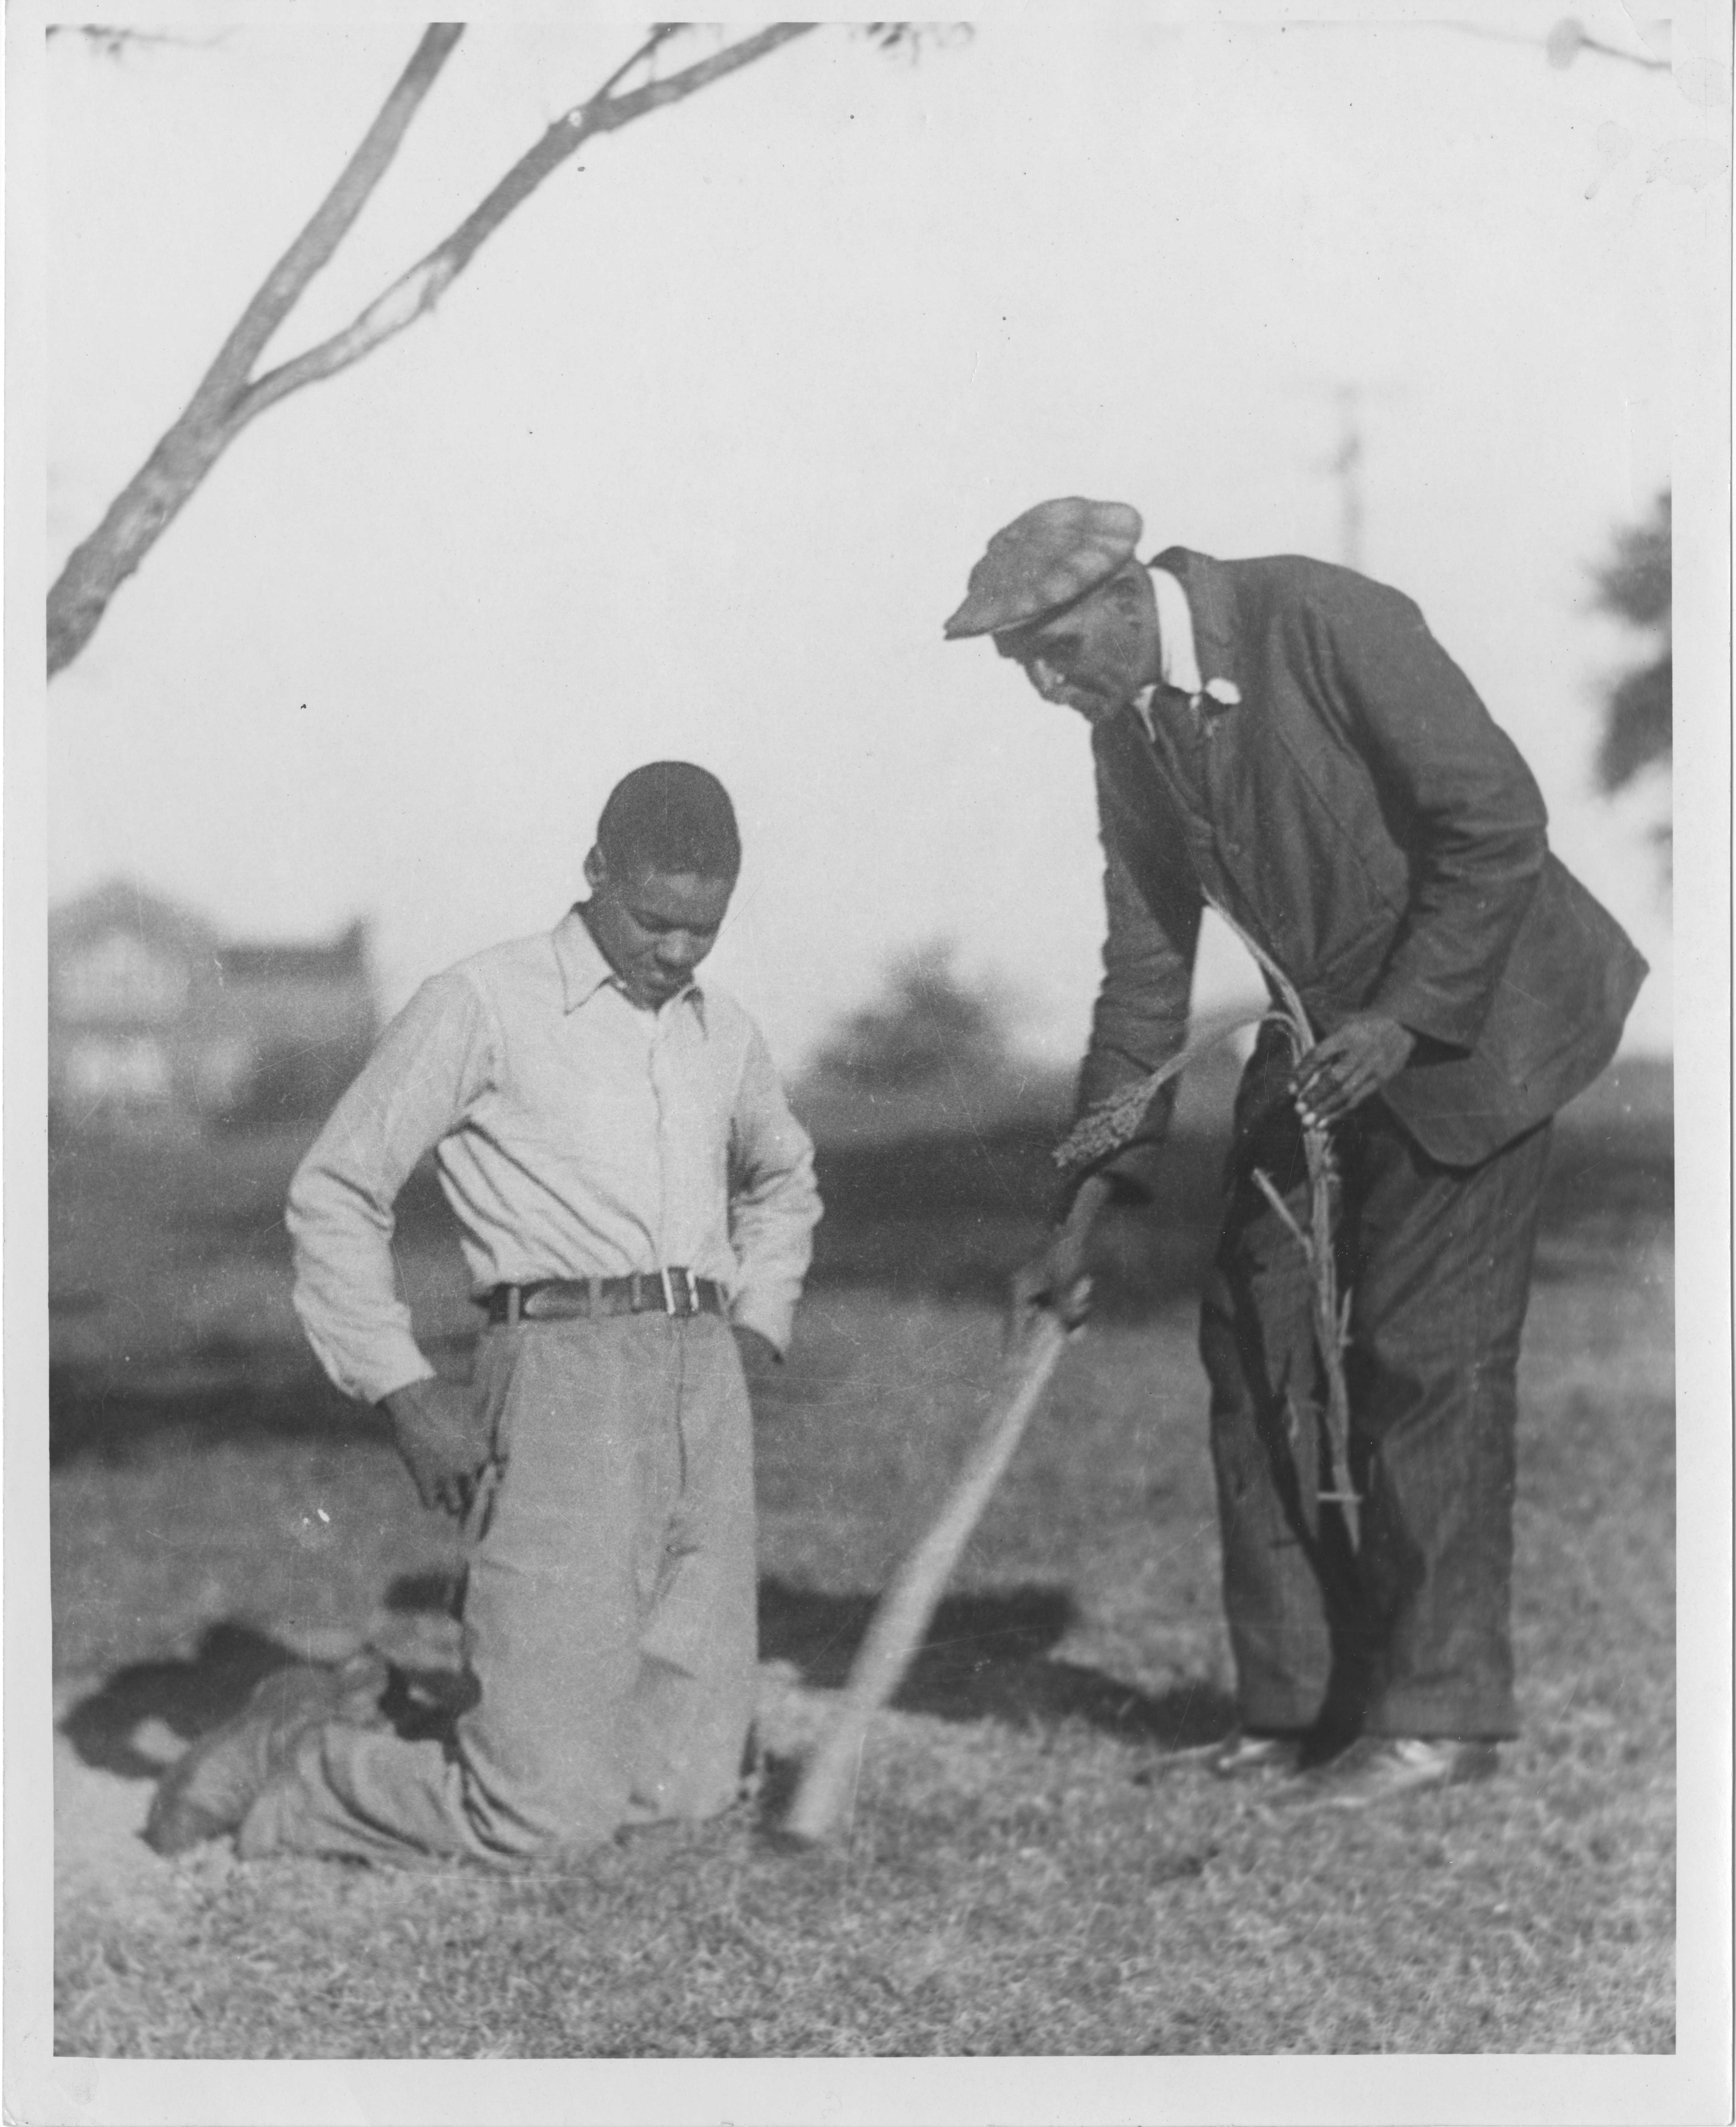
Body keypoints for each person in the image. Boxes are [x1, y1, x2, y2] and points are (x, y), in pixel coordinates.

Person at [944, 499, 1646, 1807]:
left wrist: (1401, 1020)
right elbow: (1145, 980)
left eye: (1048, 651)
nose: (1042, 686)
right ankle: (1294, 1707)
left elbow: (1495, 825)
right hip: (1320, 1036)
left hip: (1473, 1024)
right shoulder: (1124, 734)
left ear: (1113, 597)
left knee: (1418, 1356)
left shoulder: (1320, 618)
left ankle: (1436, 1721)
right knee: (1251, 1338)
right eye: (1016, 669)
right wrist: (1079, 1214)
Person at [147, 762, 821, 1864]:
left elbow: (782, 1177)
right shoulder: (483, 1002)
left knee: (684, 1805)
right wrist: (403, 1386)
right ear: (596, 871)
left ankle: (440, 1731)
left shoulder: (723, 1031)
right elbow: (338, 1186)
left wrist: (753, 1316)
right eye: (655, 921)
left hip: (705, 1376)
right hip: (560, 1375)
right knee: (541, 1824)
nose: (679, 953)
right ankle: (307, 1757)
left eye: (705, 928)